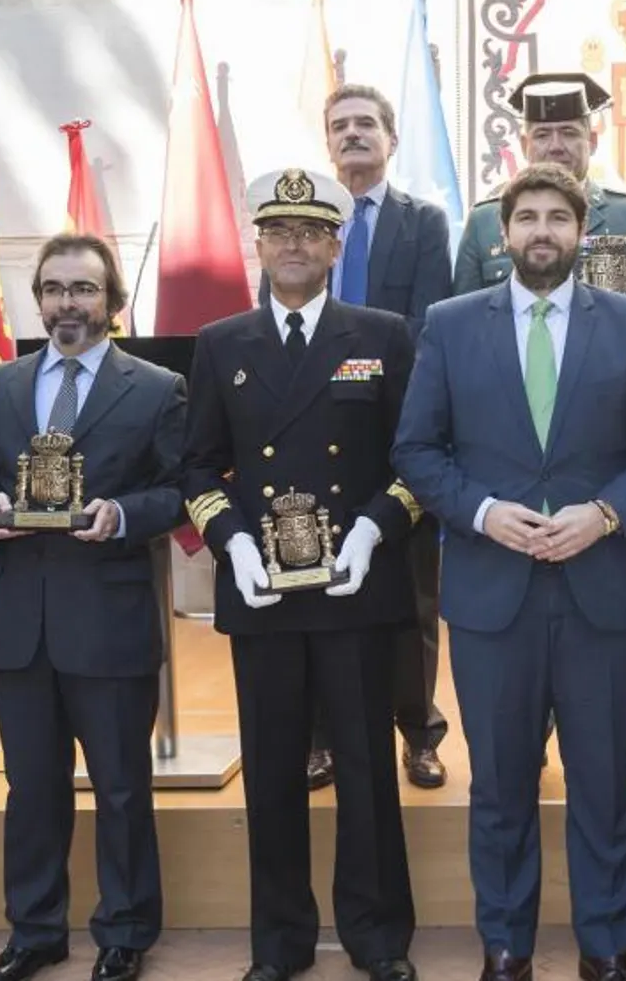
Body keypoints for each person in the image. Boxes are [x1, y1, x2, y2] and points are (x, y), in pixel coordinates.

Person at [394, 162, 626, 981]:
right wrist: (484, 511)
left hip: (602, 591)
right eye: (524, 217)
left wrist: (602, 514)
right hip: (494, 595)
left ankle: (605, 944)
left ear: (582, 230)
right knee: (498, 786)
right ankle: (506, 944)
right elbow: (416, 449)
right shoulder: (451, 324)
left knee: (604, 779)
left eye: (556, 217)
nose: (540, 232)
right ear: (501, 233)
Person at [183, 168, 422, 981]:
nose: (294, 243)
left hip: (356, 587)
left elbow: (416, 458)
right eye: (279, 229)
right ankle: (280, 943)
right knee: (275, 773)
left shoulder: (383, 335)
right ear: (258, 242)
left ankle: (380, 936)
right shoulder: (222, 344)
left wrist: (373, 529)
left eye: (312, 231)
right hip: (264, 596)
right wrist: (235, 545)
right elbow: (199, 467)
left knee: (365, 770)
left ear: (336, 244)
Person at [0, 235, 182, 981]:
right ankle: (36, 929)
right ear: (39, 300)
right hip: (21, 622)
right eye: (52, 289)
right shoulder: (2, 384)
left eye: (82, 289)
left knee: (120, 787)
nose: (65, 304)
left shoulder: (155, 387)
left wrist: (122, 512)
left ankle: (124, 929)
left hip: (108, 621)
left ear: (111, 303)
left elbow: (181, 486)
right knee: (32, 787)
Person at [262, 84, 455, 794]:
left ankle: (418, 732)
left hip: (397, 426)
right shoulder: (296, 227)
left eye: (366, 124)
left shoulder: (423, 222)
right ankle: (322, 739)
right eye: (339, 125)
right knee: (306, 585)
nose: (353, 135)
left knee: (409, 595)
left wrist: (354, 370)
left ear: (392, 138)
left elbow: (426, 325)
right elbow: (275, 319)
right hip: (306, 432)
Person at [453, 73, 626, 295]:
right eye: (542, 135)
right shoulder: (484, 223)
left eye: (569, 133)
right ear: (524, 144)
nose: (556, 146)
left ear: (592, 142)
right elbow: (465, 317)